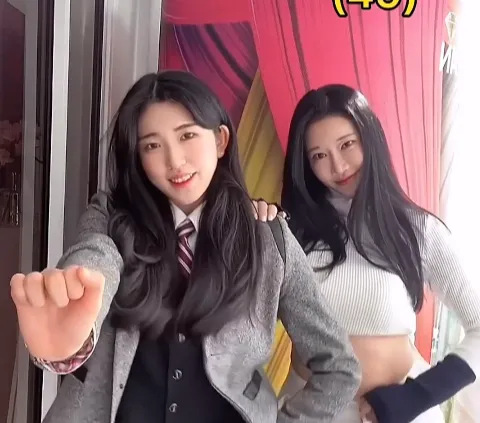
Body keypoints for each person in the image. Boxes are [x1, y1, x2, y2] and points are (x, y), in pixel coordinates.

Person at [10, 71, 361, 423]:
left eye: (187, 135)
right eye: (152, 145)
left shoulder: (268, 239)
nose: (174, 161)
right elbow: (94, 258)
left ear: (220, 140)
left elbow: (338, 366)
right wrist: (75, 315)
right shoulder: (110, 218)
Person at [262, 84, 480, 423]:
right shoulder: (288, 233)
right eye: (318, 155)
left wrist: (416, 397)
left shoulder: (417, 230)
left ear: (370, 138)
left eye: (347, 144)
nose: (338, 166)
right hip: (307, 413)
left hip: (401, 414)